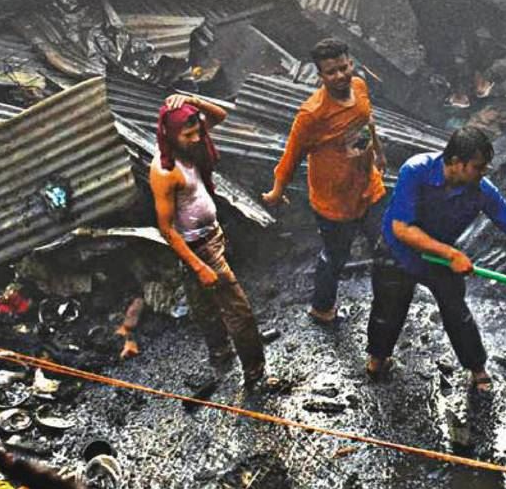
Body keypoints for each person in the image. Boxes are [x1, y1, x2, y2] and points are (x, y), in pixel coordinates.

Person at [366, 126, 506, 393]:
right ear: (456, 162)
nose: (483, 173)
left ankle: (477, 368)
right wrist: (451, 254)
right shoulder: (416, 171)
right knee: (388, 311)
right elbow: (402, 228)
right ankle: (377, 360)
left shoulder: (481, 190)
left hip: (439, 259)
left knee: (457, 313)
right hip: (397, 252)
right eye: (478, 167)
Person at [150, 94, 272, 394]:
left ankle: (220, 352)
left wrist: (192, 100)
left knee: (202, 305)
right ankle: (255, 372)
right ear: (170, 135)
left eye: (197, 132)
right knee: (238, 310)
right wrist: (199, 266)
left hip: (212, 235)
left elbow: (220, 115)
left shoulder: (191, 146)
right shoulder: (165, 171)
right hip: (197, 248)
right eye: (188, 135)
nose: (196, 139)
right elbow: (166, 229)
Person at [262, 39, 388, 323]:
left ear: (351, 63)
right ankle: (321, 308)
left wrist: (379, 153)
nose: (340, 75)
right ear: (320, 76)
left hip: (369, 187)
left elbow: (368, 122)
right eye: (331, 72)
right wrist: (277, 191)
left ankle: (388, 300)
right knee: (335, 256)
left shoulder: (359, 86)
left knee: (386, 245)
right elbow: (291, 155)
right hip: (334, 202)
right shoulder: (312, 114)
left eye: (344, 67)